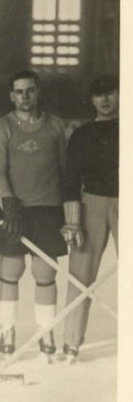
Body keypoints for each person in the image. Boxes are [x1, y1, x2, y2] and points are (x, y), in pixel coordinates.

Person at [0, 70, 69, 355]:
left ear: (37, 92)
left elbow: (65, 171)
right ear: (11, 96)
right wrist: (7, 205)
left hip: (48, 210)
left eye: (30, 90)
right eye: (19, 92)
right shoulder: (2, 127)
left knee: (45, 274)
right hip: (14, 211)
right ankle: (7, 330)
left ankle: (46, 332)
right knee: (11, 270)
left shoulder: (55, 126)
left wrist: (70, 213)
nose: (25, 96)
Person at [61, 74, 119, 361]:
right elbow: (71, 179)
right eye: (98, 95)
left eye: (110, 93)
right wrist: (73, 220)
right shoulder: (83, 134)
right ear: (92, 100)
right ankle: (71, 342)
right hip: (92, 202)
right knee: (80, 271)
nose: (105, 100)